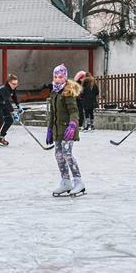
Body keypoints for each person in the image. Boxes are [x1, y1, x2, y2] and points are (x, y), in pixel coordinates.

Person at [46, 64, 86, 197]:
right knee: (58, 154)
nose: (57, 79)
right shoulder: (54, 92)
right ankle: (65, 181)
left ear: (65, 78)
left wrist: (73, 125)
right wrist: (50, 129)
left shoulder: (68, 92)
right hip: (58, 130)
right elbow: (53, 113)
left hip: (68, 129)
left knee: (67, 154)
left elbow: (74, 111)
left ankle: (78, 181)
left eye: (60, 77)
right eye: (55, 77)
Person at [0, 74, 23, 147]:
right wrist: (13, 112)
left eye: (16, 84)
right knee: (0, 121)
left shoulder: (12, 89)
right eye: (13, 84)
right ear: (9, 82)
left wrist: (18, 105)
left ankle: (1, 137)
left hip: (3, 104)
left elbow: (14, 96)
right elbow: (7, 101)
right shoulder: (4, 89)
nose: (15, 86)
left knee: (9, 120)